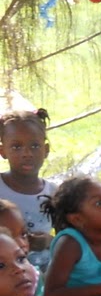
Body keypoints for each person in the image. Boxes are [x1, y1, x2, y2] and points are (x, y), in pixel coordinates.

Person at [0, 109, 58, 275]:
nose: (26, 153)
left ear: (45, 150)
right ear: (3, 151)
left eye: (34, 146)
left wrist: (49, 242)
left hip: (46, 279)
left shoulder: (53, 193)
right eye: (16, 147)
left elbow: (68, 240)